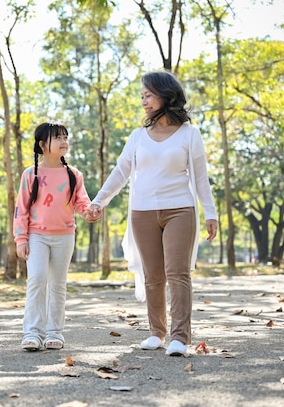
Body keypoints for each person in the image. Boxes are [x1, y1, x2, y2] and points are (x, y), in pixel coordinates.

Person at [88, 70, 218, 356]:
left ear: (165, 94)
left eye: (148, 94)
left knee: (178, 272)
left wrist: (211, 213)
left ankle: (179, 338)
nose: (144, 101)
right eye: (142, 96)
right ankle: (157, 333)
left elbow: (200, 179)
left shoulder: (189, 134)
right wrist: (99, 201)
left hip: (180, 210)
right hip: (142, 212)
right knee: (153, 276)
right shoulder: (137, 137)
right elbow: (120, 172)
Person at [14, 122, 96, 351]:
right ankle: (32, 333)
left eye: (65, 137)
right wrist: (21, 239)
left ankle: (54, 333)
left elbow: (82, 202)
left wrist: (90, 212)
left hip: (64, 236)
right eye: (57, 137)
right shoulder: (31, 174)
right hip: (36, 236)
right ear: (42, 145)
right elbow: (21, 208)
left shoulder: (73, 174)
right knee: (37, 279)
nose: (63, 141)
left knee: (58, 285)